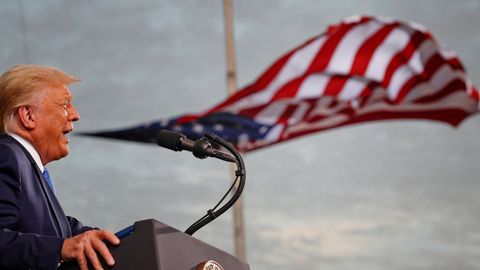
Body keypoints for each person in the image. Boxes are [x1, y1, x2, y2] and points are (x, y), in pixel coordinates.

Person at [0, 65, 120, 270]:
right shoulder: (7, 155)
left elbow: (64, 230)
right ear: (28, 115)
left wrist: (113, 240)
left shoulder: (29, 168)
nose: (75, 115)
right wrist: (61, 248)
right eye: (65, 104)